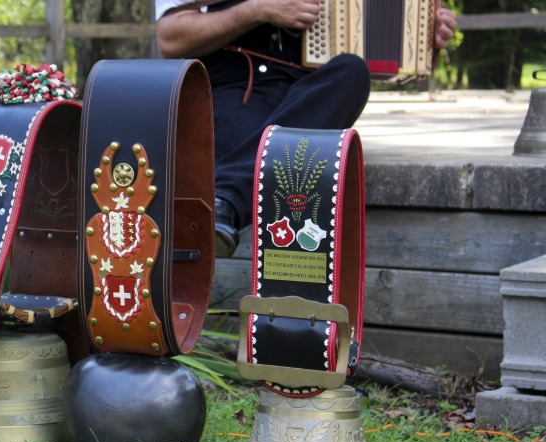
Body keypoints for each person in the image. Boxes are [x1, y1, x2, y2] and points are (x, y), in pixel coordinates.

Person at [155, 0, 457, 257]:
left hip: (307, 93)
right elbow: (171, 38)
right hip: (238, 88)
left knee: (353, 71)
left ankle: (226, 199)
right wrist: (259, 9)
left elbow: (366, 40)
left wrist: (418, 35)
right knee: (281, 147)